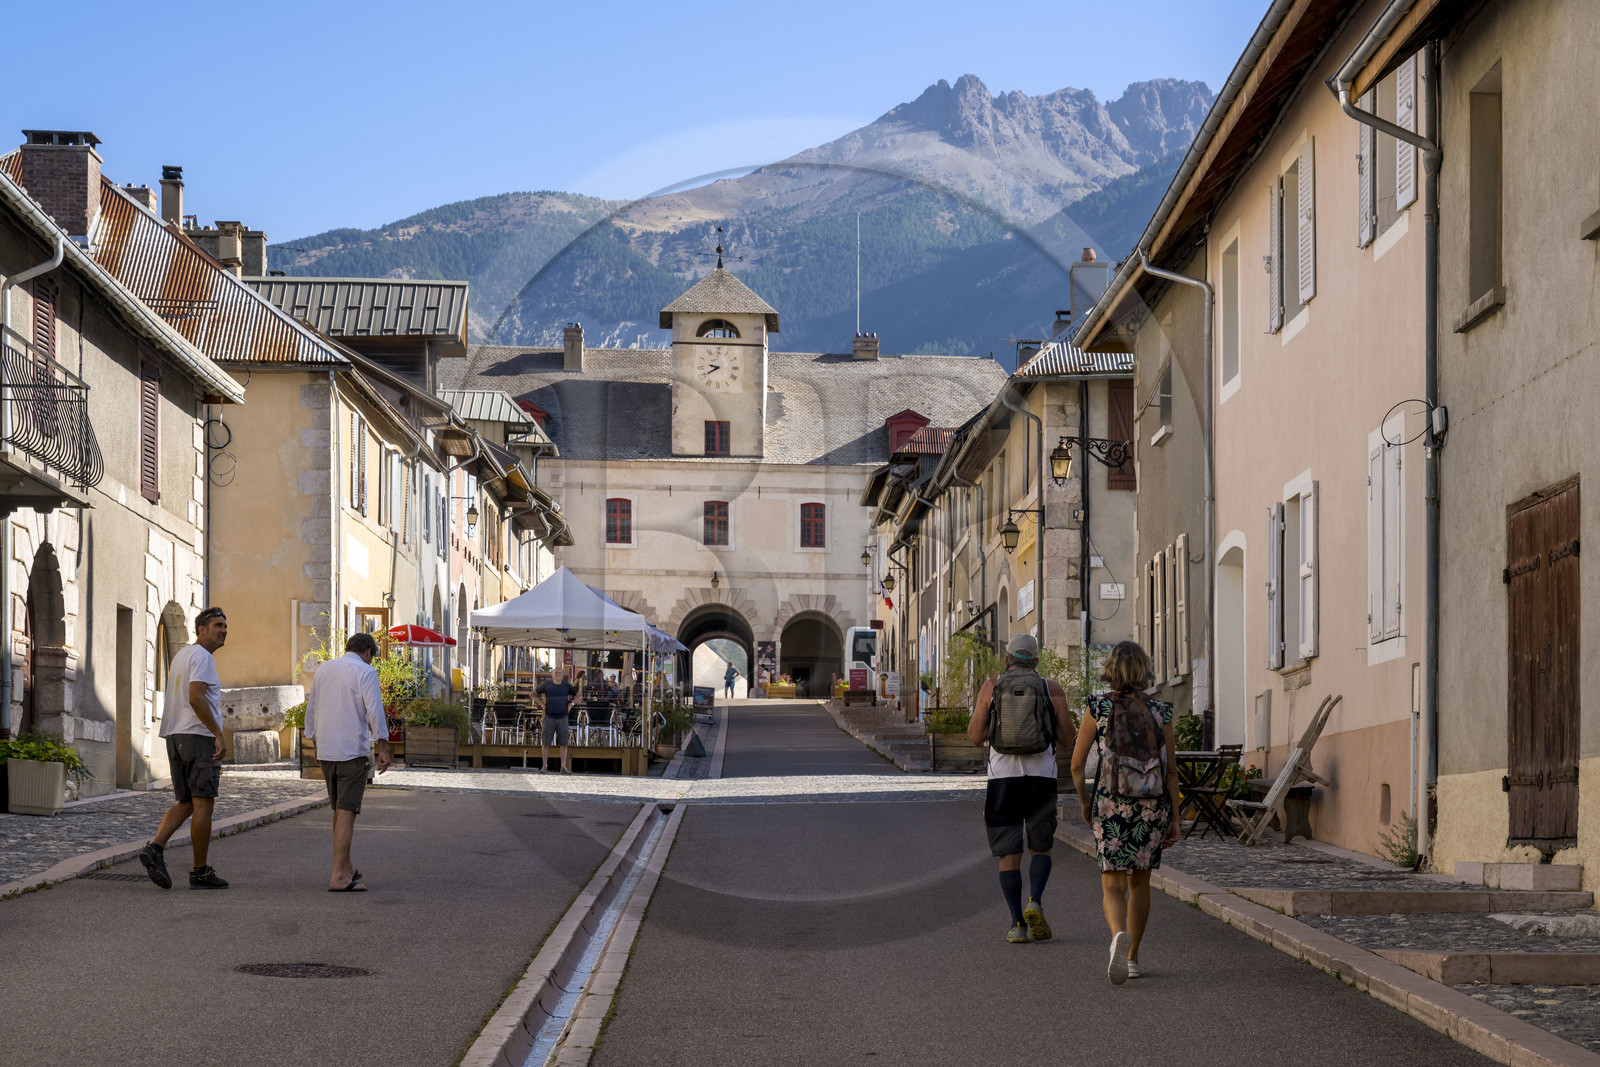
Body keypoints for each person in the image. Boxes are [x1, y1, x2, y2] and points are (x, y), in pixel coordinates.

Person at [1069, 640, 1180, 984]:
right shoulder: (1160, 712)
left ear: (1111, 670)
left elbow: (1076, 765)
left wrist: (1086, 802)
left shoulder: (1098, 708)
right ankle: (1132, 959)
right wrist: (1175, 817)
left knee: (1112, 882)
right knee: (1141, 882)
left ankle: (1118, 934)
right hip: (1152, 805)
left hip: (1111, 803)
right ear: (1144, 670)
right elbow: (1171, 770)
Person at [967, 634, 1074, 944]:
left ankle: (1016, 925)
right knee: (1041, 846)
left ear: (1007, 660)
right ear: (1036, 661)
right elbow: (1068, 738)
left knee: (1008, 854)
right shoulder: (1051, 688)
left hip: (1002, 781)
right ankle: (1035, 901)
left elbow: (976, 736)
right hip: (1041, 779)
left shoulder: (991, 687)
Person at [139, 606, 230, 890]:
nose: (224, 630)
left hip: (175, 735)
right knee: (204, 803)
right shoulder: (202, 656)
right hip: (198, 736)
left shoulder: (181, 655)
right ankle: (200, 871)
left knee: (187, 801)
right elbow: (195, 697)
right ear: (201, 630)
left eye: (225, 626)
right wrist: (218, 732)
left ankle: (155, 847)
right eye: (217, 625)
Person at [304, 632, 392, 891]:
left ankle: (345, 867)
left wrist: (313, 738)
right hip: (351, 750)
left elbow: (312, 706)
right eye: (371, 657)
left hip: (327, 750)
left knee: (338, 810)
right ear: (367, 651)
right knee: (346, 812)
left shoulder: (324, 669)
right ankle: (338, 877)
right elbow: (375, 710)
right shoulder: (365, 672)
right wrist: (383, 746)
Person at [537, 669, 579, 774]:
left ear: (562, 675)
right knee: (546, 742)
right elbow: (532, 694)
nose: (558, 674)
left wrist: (571, 704)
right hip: (549, 716)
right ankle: (545, 766)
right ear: (552, 675)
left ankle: (563, 767)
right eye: (556, 673)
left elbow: (579, 696)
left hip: (563, 717)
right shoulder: (547, 685)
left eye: (560, 673)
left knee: (564, 743)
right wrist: (541, 704)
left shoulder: (566, 686)